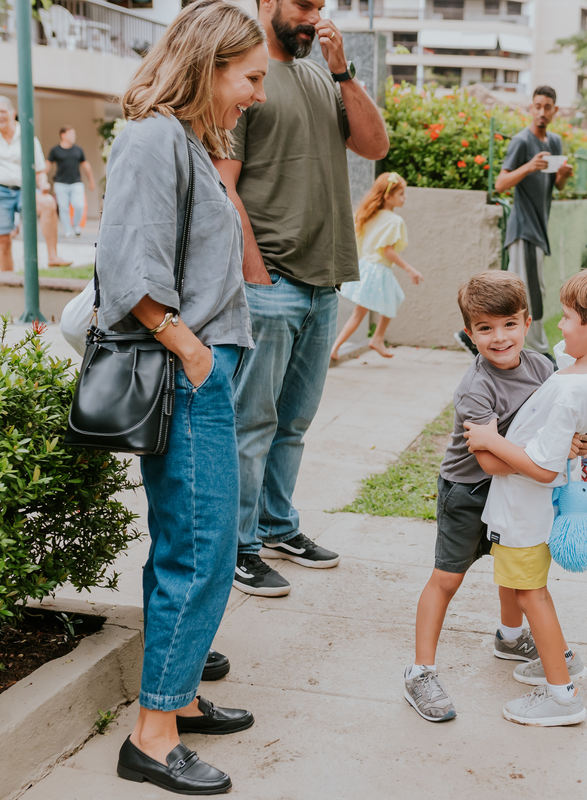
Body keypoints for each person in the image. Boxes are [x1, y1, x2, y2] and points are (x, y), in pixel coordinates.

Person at [96, 1, 267, 793]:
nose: (258, 93)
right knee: (198, 551)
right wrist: (192, 348)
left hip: (205, 371)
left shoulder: (189, 142)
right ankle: (152, 735)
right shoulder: (153, 137)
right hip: (187, 374)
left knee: (196, 541)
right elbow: (130, 268)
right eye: (250, 76)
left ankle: (183, 693)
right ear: (208, 63)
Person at [214, 0, 389, 598]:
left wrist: (344, 71)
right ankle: (237, 547)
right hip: (273, 280)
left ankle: (277, 526)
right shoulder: (245, 78)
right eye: (303, 4)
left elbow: (374, 145)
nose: (314, 16)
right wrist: (255, 273)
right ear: (267, 4)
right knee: (252, 423)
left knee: (293, 422)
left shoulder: (320, 74)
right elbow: (224, 185)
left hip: (324, 279)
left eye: (320, 5)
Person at [404, 270, 587, 724]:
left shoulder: (544, 367)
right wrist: (548, 462)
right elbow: (489, 463)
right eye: (485, 328)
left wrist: (579, 441)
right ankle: (420, 671)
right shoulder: (476, 387)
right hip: (470, 490)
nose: (499, 337)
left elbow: (561, 424)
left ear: (527, 322)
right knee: (447, 580)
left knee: (513, 572)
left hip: (520, 490)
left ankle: (510, 638)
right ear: (470, 333)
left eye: (508, 323)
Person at [463, 269, 587, 727]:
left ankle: (562, 693)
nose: (559, 328)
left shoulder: (571, 390)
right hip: (536, 510)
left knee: (531, 593)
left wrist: (490, 438)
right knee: (522, 583)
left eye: (567, 318)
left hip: (525, 507)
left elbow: (544, 467)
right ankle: (546, 655)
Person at [482, 85, 574, 358]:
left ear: (555, 110)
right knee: (532, 294)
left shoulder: (554, 142)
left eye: (547, 107)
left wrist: (565, 174)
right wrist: (529, 166)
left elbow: (556, 187)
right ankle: (541, 354)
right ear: (530, 108)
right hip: (524, 230)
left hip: (538, 229)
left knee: (518, 294)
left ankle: (508, 347)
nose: (541, 112)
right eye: (537, 106)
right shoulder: (522, 142)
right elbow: (500, 184)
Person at [0, 95, 71, 269]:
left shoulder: (27, 135)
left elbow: (39, 170)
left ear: (13, 112)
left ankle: (53, 257)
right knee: (4, 242)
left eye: (3, 111)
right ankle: (6, 280)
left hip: (25, 190)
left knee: (47, 203)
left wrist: (43, 184)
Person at [330, 171, 423, 361]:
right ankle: (374, 339)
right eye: (401, 194)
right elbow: (387, 250)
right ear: (388, 196)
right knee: (382, 304)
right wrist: (409, 268)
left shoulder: (369, 214)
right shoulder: (394, 220)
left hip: (365, 267)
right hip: (377, 270)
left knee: (374, 306)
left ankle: (352, 343)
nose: (405, 198)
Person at [46, 126, 96, 238]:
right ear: (63, 135)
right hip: (60, 183)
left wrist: (91, 180)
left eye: (74, 134)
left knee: (79, 205)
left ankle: (76, 226)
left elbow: (86, 166)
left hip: (76, 183)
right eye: (71, 134)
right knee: (63, 208)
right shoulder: (55, 150)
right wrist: (40, 179)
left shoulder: (78, 150)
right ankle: (68, 230)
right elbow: (47, 165)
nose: (74, 136)